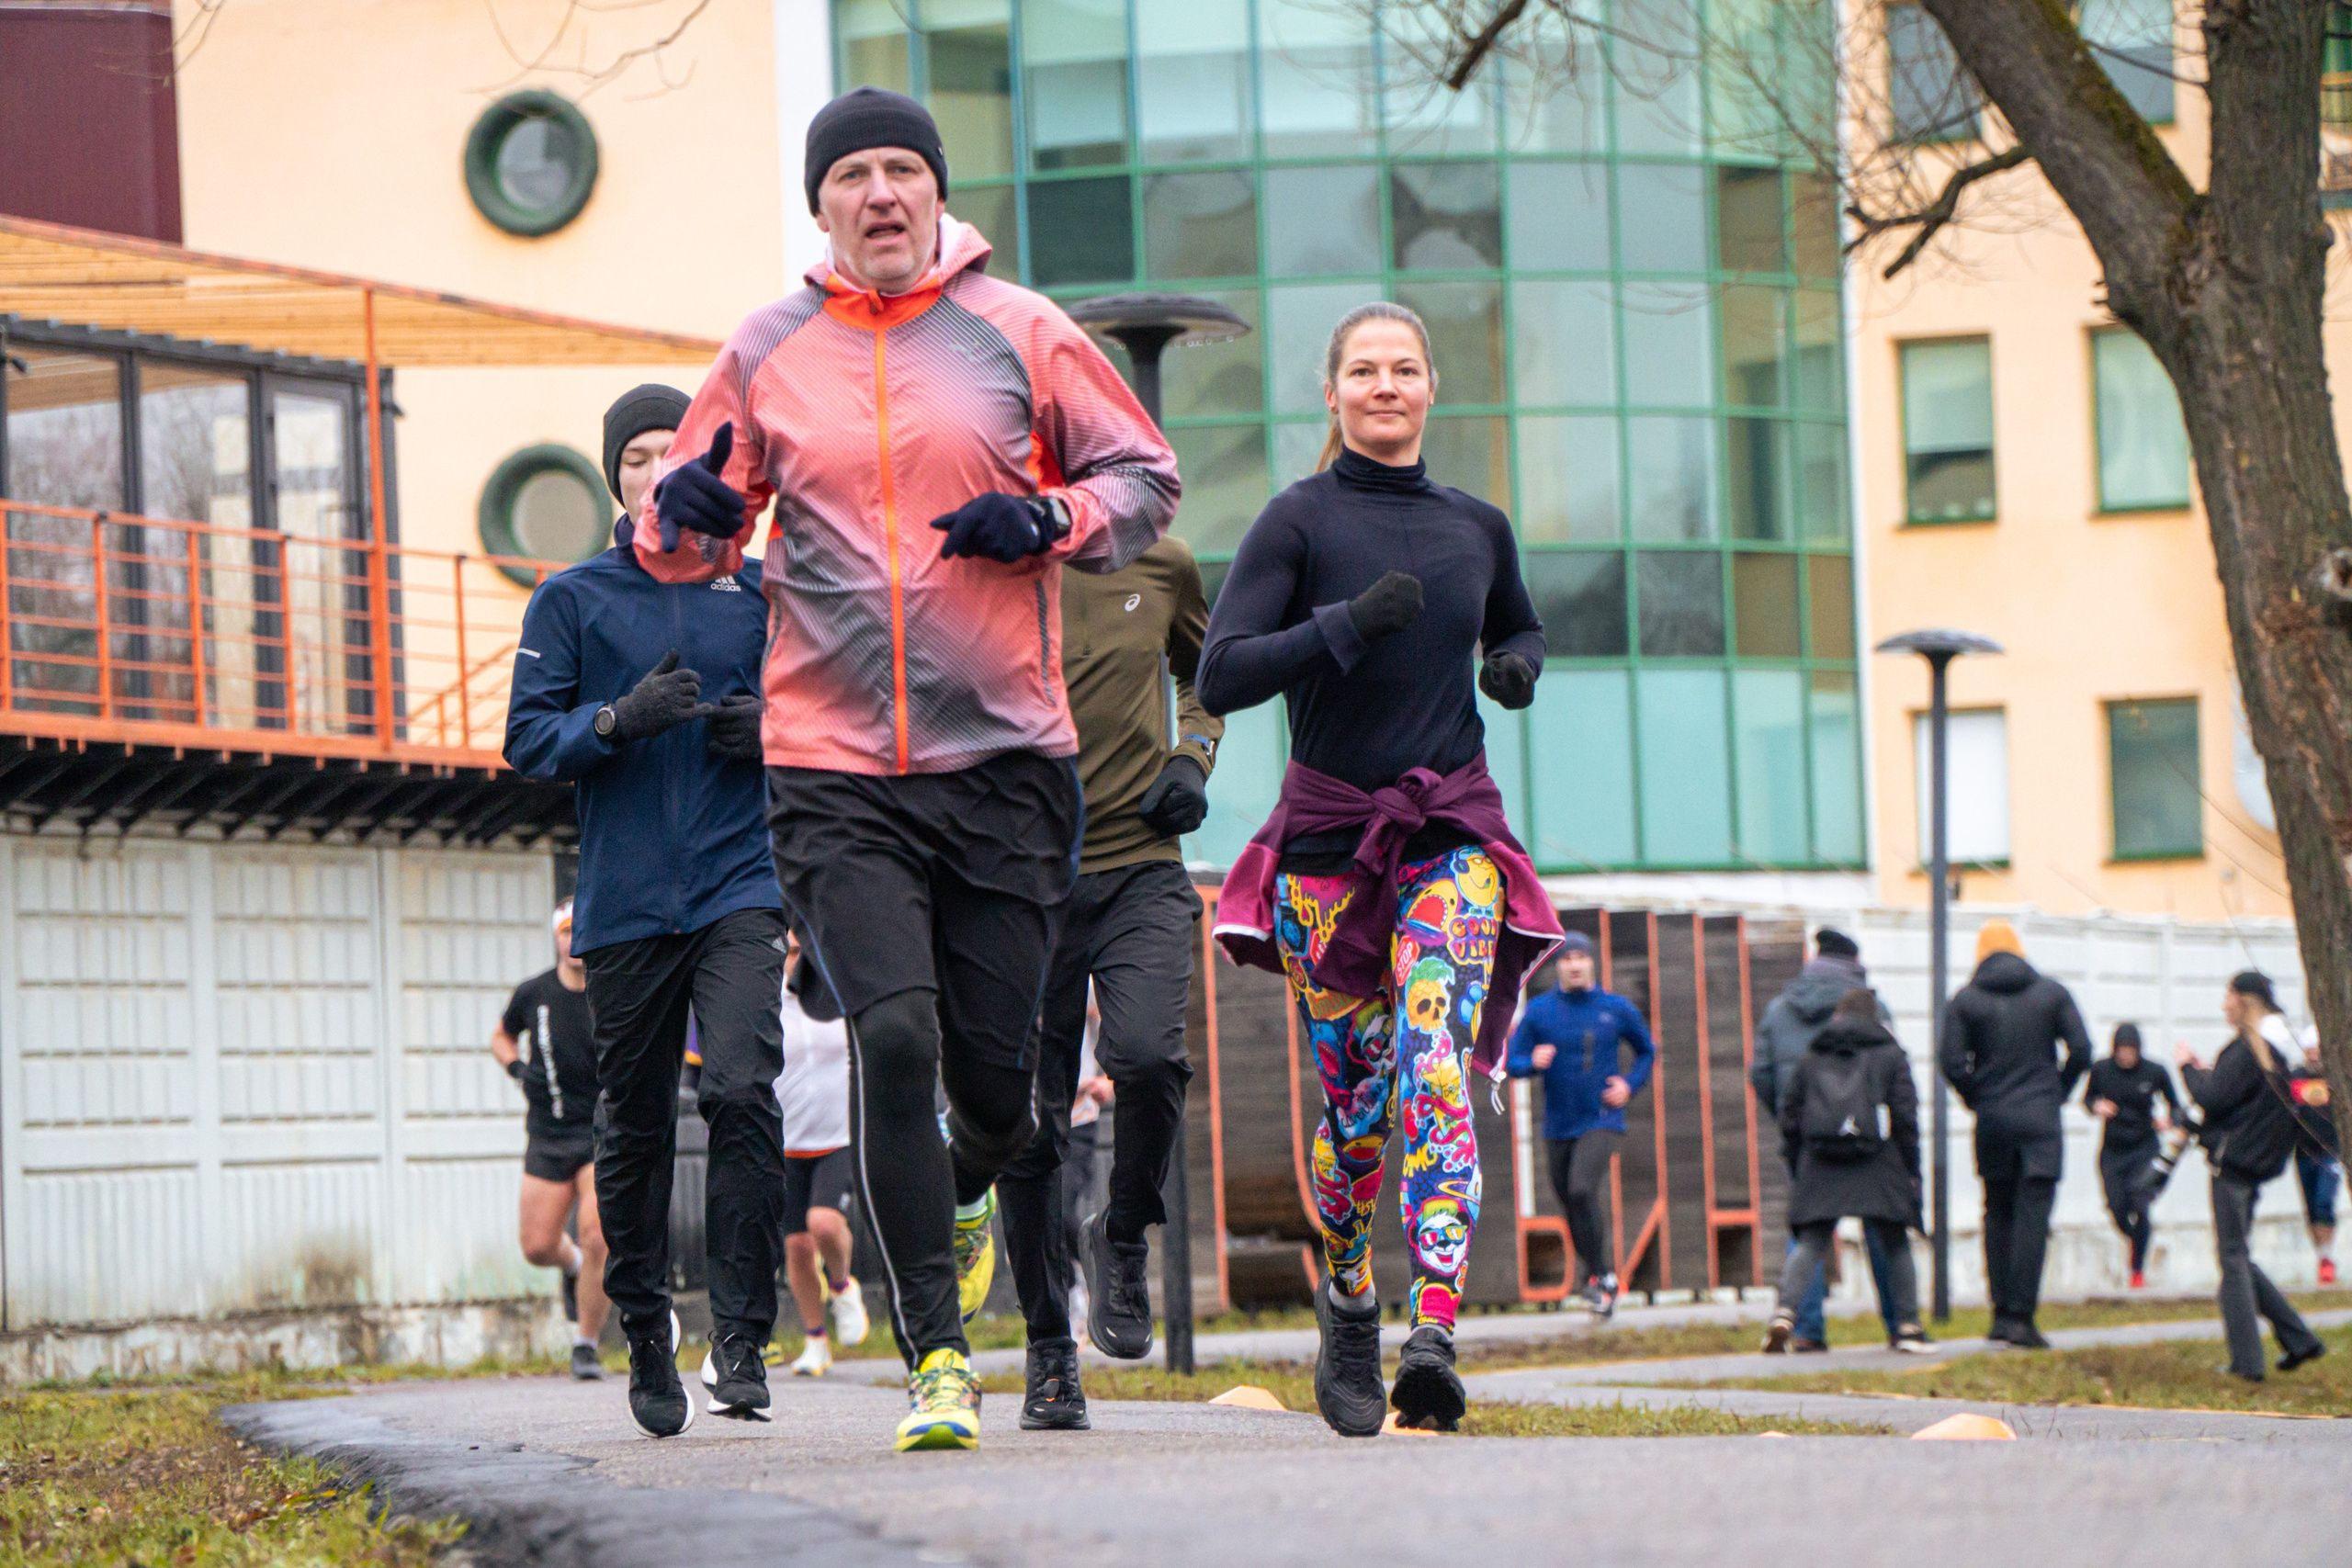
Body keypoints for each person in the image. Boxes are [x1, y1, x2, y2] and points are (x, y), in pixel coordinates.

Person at [639, 87, 1179, 1452]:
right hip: (829, 767)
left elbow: (1147, 477)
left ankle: (979, 1177)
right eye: (853, 176)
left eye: (903, 171)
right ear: (819, 206)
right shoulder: (766, 350)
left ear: (936, 194)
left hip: (1001, 760)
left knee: (996, 1097)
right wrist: (686, 519)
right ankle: (938, 1354)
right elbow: (684, 526)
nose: (881, 194)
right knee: (890, 1031)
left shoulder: (1022, 330)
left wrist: (1050, 515)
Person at [1201, 300, 1561, 1438]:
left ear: (1432, 387)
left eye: (1404, 368)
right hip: (1326, 852)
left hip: (1450, 833)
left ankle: (1437, 1329)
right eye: (1364, 371)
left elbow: (1521, 627)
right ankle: (1350, 1294)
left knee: (1432, 1054)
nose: (1386, 387)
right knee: (1355, 1109)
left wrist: (1512, 667)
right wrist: (1343, 627)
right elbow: (1219, 674)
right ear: (1333, 393)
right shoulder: (1295, 522)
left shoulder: (1477, 524)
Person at [504, 384, 786, 1438]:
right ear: (614, 477)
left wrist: (767, 729)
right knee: (633, 1123)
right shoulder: (574, 598)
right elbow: (528, 739)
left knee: (748, 1089)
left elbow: (827, 721)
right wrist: (618, 720)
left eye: (678, 453)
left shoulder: (758, 596)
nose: (657, 470)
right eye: (637, 456)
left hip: (738, 883)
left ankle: (746, 1335)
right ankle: (644, 1324)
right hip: (624, 900)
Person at [998, 526, 1223, 1430]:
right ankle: (1050, 1349)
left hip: (1141, 863)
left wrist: (1192, 757)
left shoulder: (1164, 561)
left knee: (1146, 1057)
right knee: (1029, 1125)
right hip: (1022, 877)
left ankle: (1123, 1233)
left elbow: (1206, 674)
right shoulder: (992, 564)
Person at [1937, 919, 2089, 1349]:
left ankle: (2001, 1315)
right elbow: (2081, 1049)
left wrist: (1978, 1098)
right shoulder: (2052, 994)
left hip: (1994, 1121)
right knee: (2033, 1218)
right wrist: (2057, 1091)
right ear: (2019, 950)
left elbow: (1950, 1062)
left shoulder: (1966, 1001)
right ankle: (2023, 1317)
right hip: (2041, 1120)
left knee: (1997, 1213)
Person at [1749, 927, 1903, 1349]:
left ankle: (1804, 1329)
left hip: (1809, 1141)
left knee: (1808, 1228)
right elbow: (1895, 1070)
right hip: (1867, 1139)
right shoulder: (1873, 1008)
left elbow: (1760, 1072)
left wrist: (1791, 1120)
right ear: (1854, 962)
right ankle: (1899, 1324)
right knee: (1883, 1227)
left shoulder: (1781, 1009)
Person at [1763, 989, 1932, 1354]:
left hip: (1821, 1160)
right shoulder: (1890, 1054)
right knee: (1893, 1239)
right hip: (1877, 1160)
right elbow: (1905, 1116)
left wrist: (1797, 1160)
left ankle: (1785, 1313)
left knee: (1811, 1241)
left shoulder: (1813, 1055)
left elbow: (1791, 1114)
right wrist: (1910, 1168)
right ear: (1875, 1017)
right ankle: (1907, 1325)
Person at [2177, 971, 2326, 1381]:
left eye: (2228, 996)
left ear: (2245, 1001)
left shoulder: (2247, 1050)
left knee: (2232, 1259)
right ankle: (2299, 1340)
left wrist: (2188, 1068)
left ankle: (2247, 1363)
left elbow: (2212, 1098)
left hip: (2233, 1165)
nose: (2223, 1003)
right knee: (2238, 1254)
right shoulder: (2271, 1052)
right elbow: (2234, 1098)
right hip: (2256, 1165)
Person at [1504, 933, 1653, 1319]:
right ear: (1557, 966)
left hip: (1602, 1118)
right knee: (1569, 1200)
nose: (1573, 964)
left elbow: (1646, 1052)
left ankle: (1600, 1277)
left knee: (1582, 1188)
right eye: (1566, 958)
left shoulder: (1614, 1008)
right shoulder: (1539, 1012)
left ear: (1592, 964)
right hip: (1558, 1124)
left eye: (1580, 958)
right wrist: (1532, 1061)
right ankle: (1598, 1278)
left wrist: (1629, 1085)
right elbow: (1511, 1063)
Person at [492, 899, 607, 1380]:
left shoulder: (610, 991)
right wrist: (517, 1068)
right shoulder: (533, 993)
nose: (573, 939)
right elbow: (501, 1036)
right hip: (547, 1132)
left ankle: (586, 1343)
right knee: (538, 1247)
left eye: (581, 931)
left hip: (598, 1134)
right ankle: (575, 1265)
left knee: (598, 1234)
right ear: (556, 938)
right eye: (565, 931)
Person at [771, 935, 873, 1376]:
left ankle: (841, 1284)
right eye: (789, 953)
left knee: (824, 1223)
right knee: (795, 1244)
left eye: (802, 952)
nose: (796, 963)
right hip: (789, 1140)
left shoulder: (838, 993)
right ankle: (815, 1339)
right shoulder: (767, 1003)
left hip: (839, 1134)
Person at [2083, 1022, 2181, 1289]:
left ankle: (2137, 1271)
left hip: (2144, 1148)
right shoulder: (2102, 1070)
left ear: (2138, 1050)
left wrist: (2168, 1120)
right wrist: (2097, 1106)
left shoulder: (2154, 1071)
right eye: (2121, 1051)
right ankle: (2135, 1237)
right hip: (2113, 1149)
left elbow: (2176, 1106)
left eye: (2130, 1051)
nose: (2125, 1056)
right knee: (2117, 1206)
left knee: (2141, 1204)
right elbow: (2087, 1099)